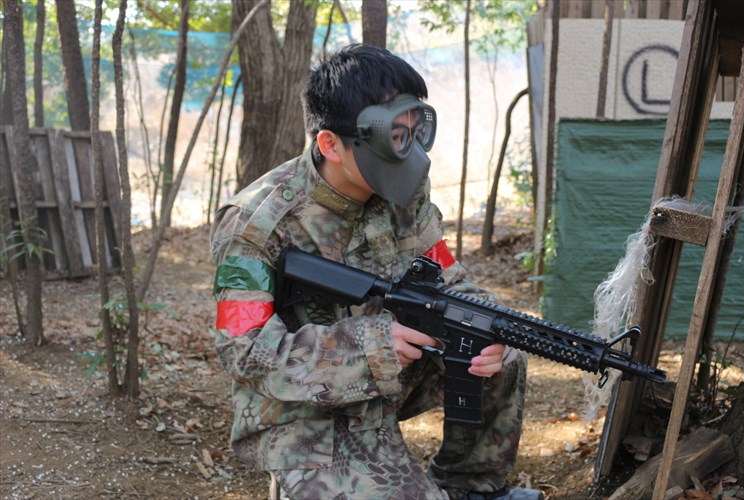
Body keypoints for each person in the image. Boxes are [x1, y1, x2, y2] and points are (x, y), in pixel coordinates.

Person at [210, 43, 542, 500]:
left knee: (500, 354)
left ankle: (470, 487)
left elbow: (446, 276)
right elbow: (243, 352)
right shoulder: (256, 223)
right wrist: (370, 346)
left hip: (392, 372)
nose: (409, 152)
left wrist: (485, 323)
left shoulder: (403, 192)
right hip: (300, 407)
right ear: (331, 144)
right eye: (394, 137)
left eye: (415, 131)